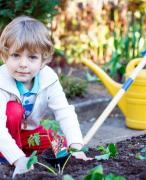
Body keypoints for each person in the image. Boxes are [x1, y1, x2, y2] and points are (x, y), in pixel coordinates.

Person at [0, 16, 91, 178]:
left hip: (29, 134)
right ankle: (6, 159)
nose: (23, 64)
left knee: (61, 147)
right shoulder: (2, 81)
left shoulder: (48, 78)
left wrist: (76, 145)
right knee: (13, 110)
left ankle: (23, 152)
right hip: (3, 137)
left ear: (44, 59)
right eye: (16, 55)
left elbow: (65, 112)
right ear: (4, 55)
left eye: (32, 57)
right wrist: (18, 159)